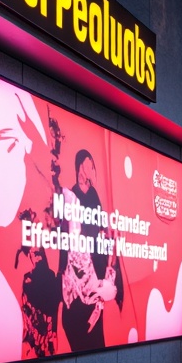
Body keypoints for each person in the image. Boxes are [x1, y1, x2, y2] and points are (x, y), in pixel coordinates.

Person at [58, 149, 120, 352]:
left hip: (96, 271)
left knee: (96, 338)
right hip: (77, 274)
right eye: (88, 165)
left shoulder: (94, 195)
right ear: (79, 167)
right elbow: (64, 234)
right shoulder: (70, 195)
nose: (91, 169)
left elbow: (103, 227)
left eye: (92, 166)